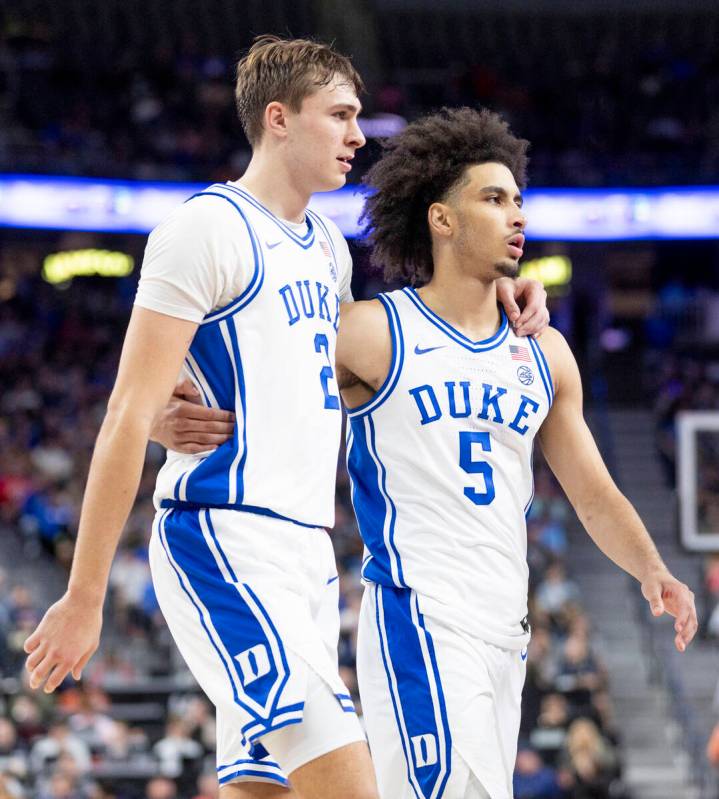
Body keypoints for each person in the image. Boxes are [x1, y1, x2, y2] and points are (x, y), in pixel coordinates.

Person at [22, 36, 548, 799]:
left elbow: (375, 349)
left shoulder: (328, 250)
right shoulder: (206, 228)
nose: (358, 136)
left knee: (262, 791)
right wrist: (84, 593)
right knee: (348, 784)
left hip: (305, 558)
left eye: (357, 117)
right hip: (222, 535)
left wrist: (501, 291)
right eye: (339, 115)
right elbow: (124, 412)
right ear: (278, 119)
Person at [160, 106, 697, 799]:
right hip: (418, 617)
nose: (516, 216)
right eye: (493, 198)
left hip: (505, 631)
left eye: (518, 200)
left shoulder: (544, 353)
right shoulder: (369, 332)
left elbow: (592, 492)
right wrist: (155, 413)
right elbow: (248, 366)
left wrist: (652, 568)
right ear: (441, 220)